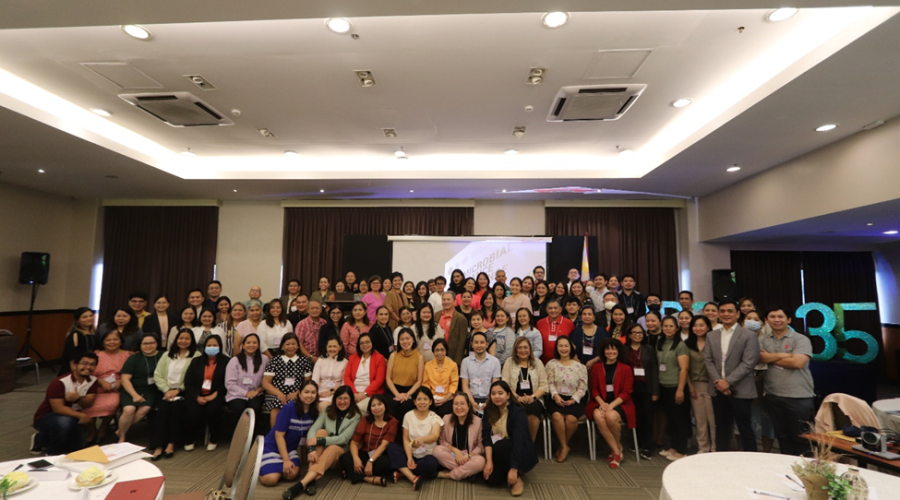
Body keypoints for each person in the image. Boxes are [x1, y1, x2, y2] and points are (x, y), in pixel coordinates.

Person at [282, 386, 362, 498]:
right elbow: (313, 429)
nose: (342, 401)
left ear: (351, 400)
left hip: (340, 454)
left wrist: (320, 440)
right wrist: (311, 450)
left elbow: (343, 439)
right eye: (339, 398)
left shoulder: (356, 416)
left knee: (331, 447)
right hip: (324, 451)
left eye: (345, 398)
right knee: (321, 432)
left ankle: (301, 484)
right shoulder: (328, 410)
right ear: (335, 399)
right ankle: (311, 481)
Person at [703, 300, 760, 452]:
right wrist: (719, 383)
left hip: (741, 389)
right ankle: (721, 461)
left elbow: (749, 363)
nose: (726, 314)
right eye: (722, 311)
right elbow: (708, 361)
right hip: (717, 389)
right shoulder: (711, 335)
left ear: (738, 314)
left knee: (745, 429)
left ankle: (752, 462)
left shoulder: (749, 335)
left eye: (730, 311)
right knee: (721, 428)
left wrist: (728, 382)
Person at [758, 305, 815, 456]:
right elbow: (759, 358)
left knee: (801, 438)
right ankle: (787, 466)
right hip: (773, 395)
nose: (776, 320)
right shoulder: (762, 340)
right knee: (782, 437)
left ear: (788, 320)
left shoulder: (800, 339)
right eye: (772, 317)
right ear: (766, 320)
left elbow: (797, 363)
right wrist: (784, 355)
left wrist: (770, 357)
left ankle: (806, 467)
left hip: (798, 396)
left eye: (780, 316)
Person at [31, 352, 98, 455]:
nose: (88, 367)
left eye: (92, 364)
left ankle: (40, 439)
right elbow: (58, 408)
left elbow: (88, 402)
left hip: (73, 416)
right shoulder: (59, 382)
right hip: (48, 416)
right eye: (84, 363)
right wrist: (81, 416)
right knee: (65, 423)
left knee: (79, 445)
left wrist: (77, 399)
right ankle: (53, 453)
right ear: (75, 365)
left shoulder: (93, 381)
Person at [151, 328, 200, 460]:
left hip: (184, 392)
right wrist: (166, 390)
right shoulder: (167, 355)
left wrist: (178, 390)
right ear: (176, 339)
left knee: (176, 408)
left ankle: (171, 444)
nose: (183, 341)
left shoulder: (196, 355)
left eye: (187, 338)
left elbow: (194, 378)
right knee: (163, 409)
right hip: (165, 391)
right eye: (181, 338)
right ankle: (158, 446)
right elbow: (157, 375)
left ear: (192, 341)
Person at [482, 381, 536, 497]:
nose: (496, 396)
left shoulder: (517, 411)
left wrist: (514, 468)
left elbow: (519, 441)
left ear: (508, 395)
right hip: (498, 450)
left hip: (517, 450)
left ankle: (517, 479)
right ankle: (507, 473)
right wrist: (489, 462)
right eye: (493, 394)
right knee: (491, 480)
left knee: (502, 446)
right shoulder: (488, 410)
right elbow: (486, 437)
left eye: (500, 393)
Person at [259, 380, 319, 487]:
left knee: (292, 475)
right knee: (271, 480)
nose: (310, 395)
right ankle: (258, 464)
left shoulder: (314, 412)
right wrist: (286, 460)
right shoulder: (289, 408)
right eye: (306, 392)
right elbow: (279, 436)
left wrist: (305, 459)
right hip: (272, 447)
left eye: (313, 392)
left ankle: (274, 468)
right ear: (299, 393)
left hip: (290, 449)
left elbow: (308, 436)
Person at [588, 338, 635, 469]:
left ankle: (615, 450)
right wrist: (602, 404)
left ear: (619, 351)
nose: (610, 351)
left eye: (613, 349)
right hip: (600, 401)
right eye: (607, 349)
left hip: (620, 403)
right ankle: (617, 450)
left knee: (611, 416)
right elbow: (594, 389)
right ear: (603, 351)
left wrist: (611, 406)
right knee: (599, 416)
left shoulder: (626, 369)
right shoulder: (597, 367)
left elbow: (626, 393)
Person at [386, 387, 443, 490]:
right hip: (410, 453)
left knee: (432, 463)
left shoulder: (435, 418)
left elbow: (434, 437)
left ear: (430, 402)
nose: (422, 402)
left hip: (426, 455)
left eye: (425, 399)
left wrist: (422, 440)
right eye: (419, 399)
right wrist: (409, 458)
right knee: (392, 447)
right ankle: (413, 477)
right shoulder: (408, 415)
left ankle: (403, 472)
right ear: (414, 401)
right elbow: (406, 439)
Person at [545, 336, 588, 462]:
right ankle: (564, 447)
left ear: (571, 348)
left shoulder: (580, 366)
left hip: (575, 398)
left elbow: (583, 386)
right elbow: (549, 383)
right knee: (557, 416)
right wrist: (556, 396)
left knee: (571, 419)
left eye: (566, 346)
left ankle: (562, 445)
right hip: (555, 397)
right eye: (560, 346)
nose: (563, 348)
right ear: (556, 348)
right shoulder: (551, 364)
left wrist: (574, 399)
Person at [83, 329, 130, 443]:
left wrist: (121, 381)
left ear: (121, 341)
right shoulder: (96, 355)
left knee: (111, 404)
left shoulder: (127, 355)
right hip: (95, 386)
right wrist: (101, 382)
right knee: (88, 404)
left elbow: (131, 373)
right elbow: (87, 373)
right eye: (108, 340)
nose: (112, 342)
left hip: (116, 388)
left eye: (115, 339)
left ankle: (104, 426)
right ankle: (92, 430)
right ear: (103, 342)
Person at [184, 335, 228, 451]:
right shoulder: (196, 361)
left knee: (212, 411)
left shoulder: (226, 362)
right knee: (192, 412)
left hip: (216, 394)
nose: (211, 347)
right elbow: (188, 382)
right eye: (209, 345)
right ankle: (190, 439)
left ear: (220, 346)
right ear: (204, 347)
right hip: (197, 395)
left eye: (215, 345)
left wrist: (213, 395)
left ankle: (213, 438)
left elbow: (227, 382)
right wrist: (197, 396)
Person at [341, 395, 397, 486]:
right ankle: (368, 479)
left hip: (380, 455)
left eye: (379, 404)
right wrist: (356, 458)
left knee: (386, 463)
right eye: (373, 405)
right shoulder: (365, 420)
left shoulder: (392, 422)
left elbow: (384, 445)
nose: (377, 408)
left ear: (385, 405)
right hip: (365, 452)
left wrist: (370, 461)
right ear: (370, 408)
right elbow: (354, 442)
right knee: (345, 457)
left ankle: (352, 473)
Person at [117, 332, 163, 443]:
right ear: (140, 345)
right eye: (145, 343)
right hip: (132, 388)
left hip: (151, 390)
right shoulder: (133, 358)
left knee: (145, 409)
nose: (148, 346)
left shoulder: (163, 356)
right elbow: (125, 379)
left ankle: (120, 430)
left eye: (152, 343)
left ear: (157, 344)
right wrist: (134, 395)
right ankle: (122, 436)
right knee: (129, 410)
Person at [656, 316, 690, 461]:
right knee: (670, 418)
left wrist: (680, 389)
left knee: (680, 419)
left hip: (676, 387)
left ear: (677, 328)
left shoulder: (681, 345)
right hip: (663, 386)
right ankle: (674, 446)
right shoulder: (661, 343)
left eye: (671, 326)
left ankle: (682, 450)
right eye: (665, 326)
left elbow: (684, 369)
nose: (668, 329)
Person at [500, 337, 547, 442]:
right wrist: (517, 397)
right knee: (517, 411)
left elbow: (544, 385)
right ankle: (518, 444)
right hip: (514, 398)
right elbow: (505, 383)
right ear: (515, 350)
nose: (523, 350)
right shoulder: (509, 362)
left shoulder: (538, 363)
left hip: (534, 398)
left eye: (525, 347)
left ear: (530, 349)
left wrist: (532, 397)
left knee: (533, 410)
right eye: (519, 348)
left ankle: (530, 444)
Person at [623, 324, 658, 460]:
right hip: (630, 388)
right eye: (634, 332)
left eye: (640, 333)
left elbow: (654, 370)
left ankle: (648, 446)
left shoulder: (649, 349)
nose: (637, 335)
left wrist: (655, 391)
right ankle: (636, 442)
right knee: (634, 416)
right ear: (629, 335)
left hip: (646, 387)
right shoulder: (624, 349)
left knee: (647, 417)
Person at [263, 333, 314, 428]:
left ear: (298, 346)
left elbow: (307, 382)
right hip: (275, 393)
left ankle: (293, 433)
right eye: (287, 344)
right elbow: (266, 383)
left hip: (297, 393)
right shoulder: (275, 360)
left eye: (293, 344)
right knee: (277, 402)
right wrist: (279, 393)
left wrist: (297, 392)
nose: (291, 346)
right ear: (282, 346)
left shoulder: (304, 361)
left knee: (295, 402)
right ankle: (275, 433)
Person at [434, 393, 486, 481]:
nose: (459, 407)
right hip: (452, 455)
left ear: (468, 405)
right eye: (456, 404)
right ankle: (467, 472)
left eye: (462, 403)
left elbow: (480, 446)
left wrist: (468, 456)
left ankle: (449, 475)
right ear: (452, 406)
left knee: (481, 461)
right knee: (436, 451)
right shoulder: (446, 419)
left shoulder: (478, 421)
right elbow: (442, 440)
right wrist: (456, 451)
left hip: (470, 456)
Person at [225, 333, 269, 436]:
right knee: (239, 409)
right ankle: (238, 437)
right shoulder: (234, 360)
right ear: (243, 345)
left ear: (258, 345)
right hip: (236, 394)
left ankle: (252, 437)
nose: (251, 345)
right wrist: (246, 393)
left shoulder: (264, 359)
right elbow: (229, 383)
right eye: (248, 342)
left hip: (256, 393)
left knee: (255, 408)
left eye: (254, 342)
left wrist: (258, 391)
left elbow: (267, 379)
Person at [685, 315, 716, 454]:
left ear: (708, 327)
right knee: (700, 419)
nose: (698, 328)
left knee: (713, 420)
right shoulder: (687, 344)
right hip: (694, 385)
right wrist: (689, 385)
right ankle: (703, 447)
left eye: (701, 325)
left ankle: (715, 448)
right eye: (695, 325)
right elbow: (684, 367)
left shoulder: (714, 343)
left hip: (711, 385)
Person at [385, 328, 425, 419]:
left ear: (413, 339)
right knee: (392, 403)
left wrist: (408, 394)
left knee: (406, 406)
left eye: (408, 338)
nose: (405, 341)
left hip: (411, 390)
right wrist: (397, 394)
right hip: (394, 389)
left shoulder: (419, 357)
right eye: (402, 339)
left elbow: (419, 381)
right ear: (398, 342)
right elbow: (388, 378)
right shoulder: (393, 355)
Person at [344, 333, 387, 415]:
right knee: (341, 406)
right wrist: (354, 393)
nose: (365, 345)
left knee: (357, 409)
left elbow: (379, 380)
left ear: (372, 343)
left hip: (371, 394)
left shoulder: (379, 358)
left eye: (367, 342)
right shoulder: (353, 358)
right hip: (353, 393)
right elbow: (347, 377)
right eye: (362, 343)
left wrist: (365, 394)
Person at [460, 332, 502, 415]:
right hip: (471, 398)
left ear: (487, 344)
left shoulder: (495, 362)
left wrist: (488, 402)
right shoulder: (465, 362)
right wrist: (472, 403)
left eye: (482, 342)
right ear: (472, 344)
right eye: (476, 342)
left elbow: (495, 385)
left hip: (489, 399)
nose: (479, 345)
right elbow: (465, 385)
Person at [422, 339, 459, 416]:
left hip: (448, 398)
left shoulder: (453, 365)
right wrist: (430, 398)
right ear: (433, 351)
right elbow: (426, 384)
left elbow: (454, 384)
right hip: (432, 398)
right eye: (437, 350)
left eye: (442, 350)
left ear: (446, 351)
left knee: (442, 412)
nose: (439, 353)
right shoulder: (428, 365)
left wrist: (445, 399)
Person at [312, 337, 349, 411]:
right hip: (320, 392)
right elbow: (315, 380)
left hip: (337, 393)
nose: (332, 349)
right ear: (326, 347)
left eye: (335, 346)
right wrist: (315, 393)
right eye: (330, 346)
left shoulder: (345, 362)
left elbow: (344, 383)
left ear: (340, 347)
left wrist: (331, 391)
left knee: (323, 406)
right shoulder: (321, 360)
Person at [59, 308, 97, 377]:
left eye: (91, 316)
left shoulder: (94, 333)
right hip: (74, 369)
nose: (89, 318)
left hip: (88, 367)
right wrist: (74, 373)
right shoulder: (75, 334)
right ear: (77, 320)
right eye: (85, 317)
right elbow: (71, 356)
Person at [442, 292, 471, 365]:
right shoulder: (436, 315)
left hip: (453, 355)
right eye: (444, 299)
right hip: (437, 354)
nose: (446, 302)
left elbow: (462, 342)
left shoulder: (461, 319)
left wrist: (457, 361)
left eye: (448, 299)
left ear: (454, 302)